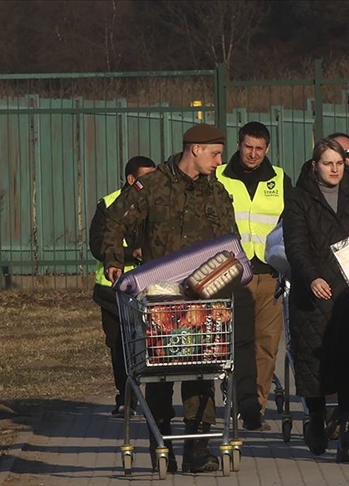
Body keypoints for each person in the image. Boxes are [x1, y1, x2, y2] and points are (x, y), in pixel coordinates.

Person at [102, 123, 236, 474]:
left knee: (202, 371)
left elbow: (230, 244)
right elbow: (114, 222)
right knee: (158, 374)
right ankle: (161, 443)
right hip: (158, 298)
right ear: (195, 149)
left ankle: (198, 448)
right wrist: (115, 261)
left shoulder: (217, 193)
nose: (220, 160)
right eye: (215, 153)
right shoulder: (154, 186)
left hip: (204, 299)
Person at [283, 137, 349, 463]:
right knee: (315, 366)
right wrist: (312, 277)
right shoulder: (299, 199)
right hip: (315, 294)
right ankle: (316, 418)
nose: (335, 169)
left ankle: (347, 437)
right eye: (328, 163)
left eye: (339, 163)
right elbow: (295, 245)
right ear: (315, 166)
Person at [215, 121, 292, 431]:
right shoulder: (219, 176)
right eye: (248, 147)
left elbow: (292, 221)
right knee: (237, 341)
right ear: (239, 144)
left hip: (269, 274)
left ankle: (254, 408)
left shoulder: (280, 179)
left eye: (259, 149)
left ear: (268, 149)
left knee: (267, 344)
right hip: (231, 275)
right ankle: (238, 395)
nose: (253, 153)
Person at [88, 155, 156, 418]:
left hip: (149, 289)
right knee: (119, 345)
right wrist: (131, 254)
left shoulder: (157, 204)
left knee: (151, 345)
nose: (152, 183)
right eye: (146, 178)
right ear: (131, 179)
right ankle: (126, 398)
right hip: (112, 290)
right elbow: (98, 246)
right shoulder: (108, 204)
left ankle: (153, 399)